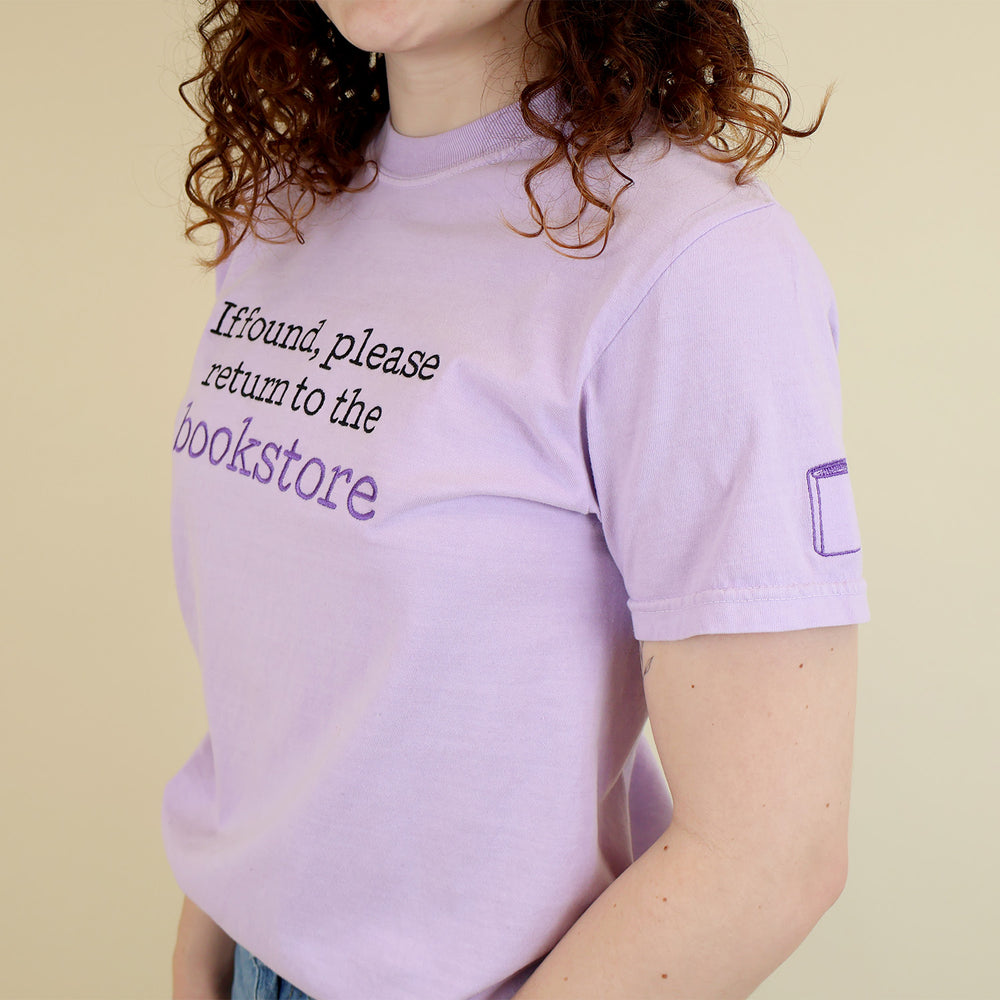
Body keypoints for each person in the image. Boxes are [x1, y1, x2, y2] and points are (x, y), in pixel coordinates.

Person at [164, 1, 870, 998]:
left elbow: (769, 857)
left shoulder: (692, 261)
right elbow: (296, 694)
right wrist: (209, 951)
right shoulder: (287, 214)